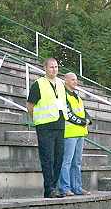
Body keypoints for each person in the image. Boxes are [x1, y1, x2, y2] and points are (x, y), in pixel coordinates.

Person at [27, 58, 66, 198]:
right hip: (45, 126)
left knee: (59, 158)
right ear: (45, 68)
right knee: (47, 158)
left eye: (56, 67)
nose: (54, 69)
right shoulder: (38, 84)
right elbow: (30, 105)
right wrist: (37, 119)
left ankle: (54, 187)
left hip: (60, 125)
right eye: (51, 67)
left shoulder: (61, 84)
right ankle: (49, 189)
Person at [58, 73, 91, 196]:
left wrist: (88, 119)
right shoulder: (63, 95)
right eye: (72, 80)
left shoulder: (77, 96)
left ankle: (77, 187)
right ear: (65, 81)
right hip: (69, 133)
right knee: (66, 162)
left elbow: (84, 111)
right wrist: (84, 121)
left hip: (80, 133)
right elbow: (69, 114)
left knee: (76, 162)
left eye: (76, 80)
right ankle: (65, 188)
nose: (75, 82)